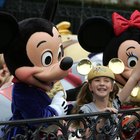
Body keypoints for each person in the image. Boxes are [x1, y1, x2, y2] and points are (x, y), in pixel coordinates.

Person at [71, 64, 140, 139]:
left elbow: (133, 78)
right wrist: (102, 117)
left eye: (106, 81)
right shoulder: (85, 109)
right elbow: (87, 136)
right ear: (90, 87)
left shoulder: (114, 104)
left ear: (112, 87)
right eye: (97, 80)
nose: (102, 84)